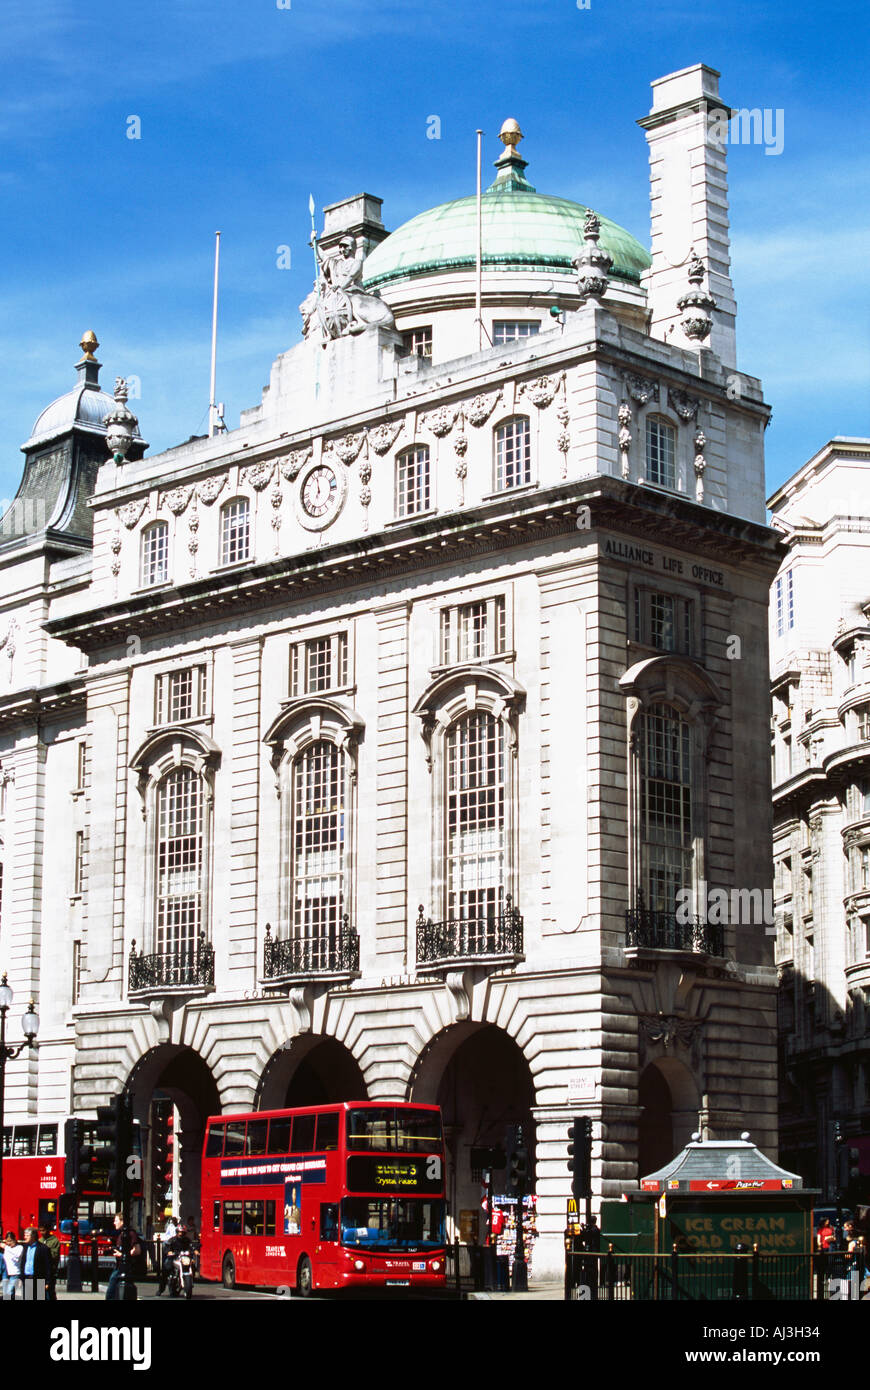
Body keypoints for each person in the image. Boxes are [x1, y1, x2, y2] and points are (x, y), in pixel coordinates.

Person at [105, 1212, 143, 1301]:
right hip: (119, 1266)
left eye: (116, 1220)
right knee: (116, 1292)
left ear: (122, 1221)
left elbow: (137, 1250)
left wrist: (122, 1255)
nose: (114, 1223)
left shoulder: (130, 1233)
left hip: (125, 1268)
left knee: (111, 1293)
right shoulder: (121, 1234)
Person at [157, 1221, 194, 1296]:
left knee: (193, 1266)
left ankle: (189, 1283)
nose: (181, 1234)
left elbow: (191, 1247)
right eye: (179, 1232)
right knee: (166, 1269)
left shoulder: (187, 1240)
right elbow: (167, 1246)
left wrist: (194, 1250)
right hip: (174, 1258)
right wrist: (169, 1251)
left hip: (184, 1258)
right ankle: (161, 1289)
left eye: (182, 1232)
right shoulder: (172, 1240)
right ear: (177, 1232)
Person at [21, 1226, 52, 1300]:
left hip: (39, 1279)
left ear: (33, 1236)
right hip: (27, 1278)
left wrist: (47, 1282)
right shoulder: (25, 1247)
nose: (25, 1237)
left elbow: (48, 1266)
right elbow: (23, 1262)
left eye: (27, 1235)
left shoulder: (43, 1248)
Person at [38, 1224, 61, 1301]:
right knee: (40, 1292)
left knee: (50, 1291)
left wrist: (45, 1251)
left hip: (51, 1270)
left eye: (43, 1230)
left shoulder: (54, 1241)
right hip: (41, 1270)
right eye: (40, 1230)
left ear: (48, 1230)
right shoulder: (40, 1240)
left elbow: (55, 1255)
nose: (42, 1232)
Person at [2, 1232, 23, 1301]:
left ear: (14, 1240)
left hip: (15, 1273)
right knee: (7, 1293)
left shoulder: (19, 1247)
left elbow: (17, 1257)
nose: (8, 1243)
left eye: (10, 1241)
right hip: (6, 1273)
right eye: (7, 1241)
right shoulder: (7, 1248)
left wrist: (6, 1248)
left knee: (9, 1292)